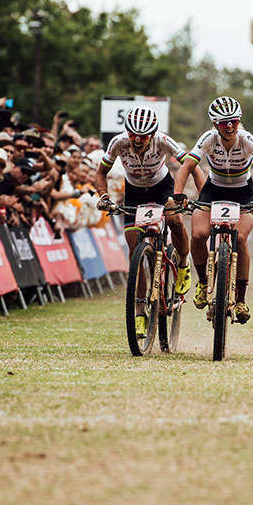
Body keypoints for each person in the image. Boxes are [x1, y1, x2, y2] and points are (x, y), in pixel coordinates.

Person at [172, 96, 253, 325]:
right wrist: (178, 194)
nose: (230, 126)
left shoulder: (246, 139)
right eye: (224, 123)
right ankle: (203, 282)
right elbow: (187, 167)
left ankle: (241, 300)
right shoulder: (208, 139)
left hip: (243, 192)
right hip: (213, 190)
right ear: (215, 125)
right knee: (198, 234)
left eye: (233, 121)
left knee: (241, 239)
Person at [95, 106, 204, 339]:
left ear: (153, 135)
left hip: (161, 187)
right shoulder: (118, 143)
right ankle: (140, 313)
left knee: (175, 220)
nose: (137, 140)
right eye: (133, 135)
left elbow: (191, 165)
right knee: (135, 249)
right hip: (134, 192)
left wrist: (203, 196)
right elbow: (100, 173)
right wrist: (104, 197)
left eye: (143, 136)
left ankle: (183, 265)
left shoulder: (164, 141)